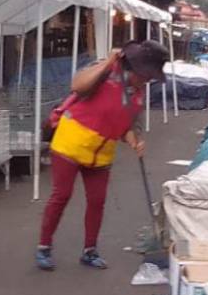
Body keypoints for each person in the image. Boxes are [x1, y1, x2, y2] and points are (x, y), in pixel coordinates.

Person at [35, 40, 168, 271]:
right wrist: (108, 62)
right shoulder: (106, 70)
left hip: (102, 151)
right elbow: (78, 86)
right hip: (71, 142)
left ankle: (90, 251)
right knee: (62, 195)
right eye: (146, 75)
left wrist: (134, 140)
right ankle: (44, 247)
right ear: (135, 67)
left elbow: (129, 124)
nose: (147, 80)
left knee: (97, 201)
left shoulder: (138, 91)